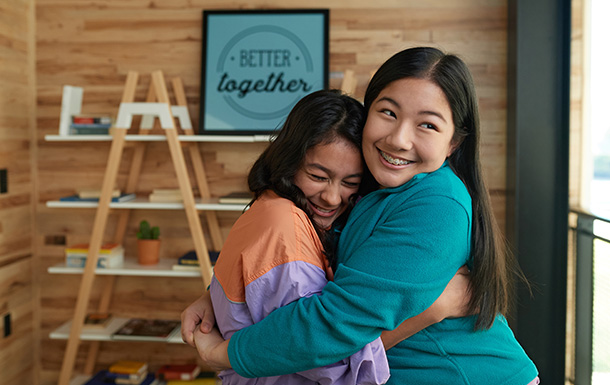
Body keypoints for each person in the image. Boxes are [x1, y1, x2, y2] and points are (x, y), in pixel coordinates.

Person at [186, 47, 538, 384]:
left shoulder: (437, 204)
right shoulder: (373, 182)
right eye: (388, 112)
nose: (399, 139)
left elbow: (335, 324)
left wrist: (224, 354)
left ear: (454, 143)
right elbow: (294, 255)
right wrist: (216, 297)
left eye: (427, 125)